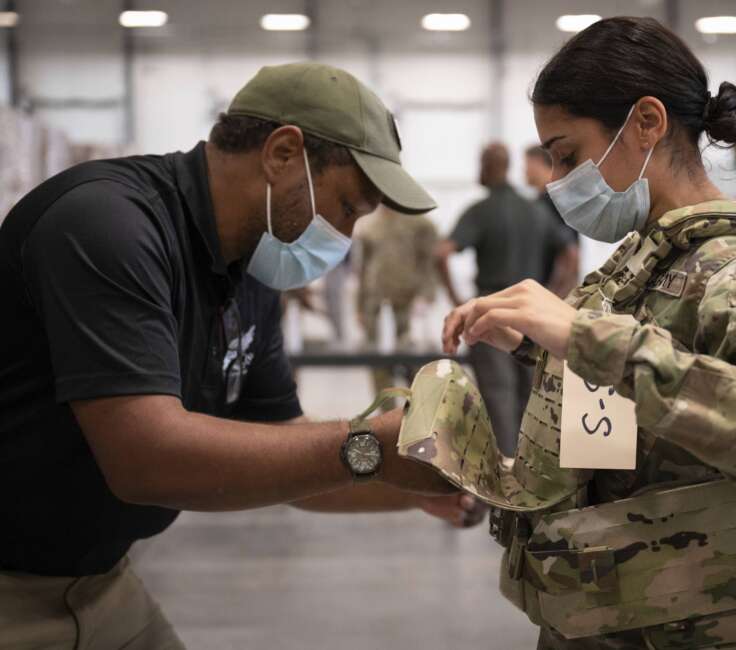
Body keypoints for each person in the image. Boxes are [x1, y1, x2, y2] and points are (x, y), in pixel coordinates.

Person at [442, 17, 736, 650]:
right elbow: (658, 385)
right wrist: (537, 344)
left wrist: (588, 339)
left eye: (567, 153)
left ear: (646, 123)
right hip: (630, 609)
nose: (555, 178)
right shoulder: (656, 255)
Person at [0, 63, 481, 649]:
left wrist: (417, 486)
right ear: (282, 153)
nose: (346, 237)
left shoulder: (249, 272)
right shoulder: (108, 226)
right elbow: (146, 460)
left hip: (101, 582)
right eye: (348, 207)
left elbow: (284, 451)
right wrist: (370, 447)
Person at [436, 142, 559, 456]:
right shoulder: (535, 211)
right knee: (532, 395)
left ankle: (506, 477)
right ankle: (530, 471)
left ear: (490, 166)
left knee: (498, 395)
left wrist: (459, 300)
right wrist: (554, 296)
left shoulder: (481, 211)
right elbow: (570, 256)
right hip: (533, 312)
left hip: (492, 313)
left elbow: (442, 253)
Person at [356, 204, 439, 404]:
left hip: (408, 306)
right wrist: (358, 306)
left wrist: (426, 295)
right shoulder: (369, 226)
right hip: (375, 306)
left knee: (415, 367)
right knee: (379, 367)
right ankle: (388, 423)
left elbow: (429, 263)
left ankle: (418, 419)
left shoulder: (420, 224)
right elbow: (363, 268)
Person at [524, 145, 580, 298]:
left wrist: (555, 295)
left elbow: (571, 254)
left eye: (527, 165)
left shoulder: (553, 200)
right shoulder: (544, 200)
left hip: (553, 293)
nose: (524, 172)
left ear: (538, 163)